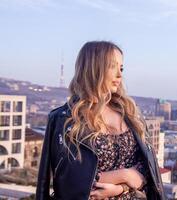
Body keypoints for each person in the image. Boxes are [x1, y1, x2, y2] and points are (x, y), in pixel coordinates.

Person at [36, 41, 166, 200]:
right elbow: (70, 182)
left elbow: (147, 171)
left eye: (121, 68)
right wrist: (125, 175)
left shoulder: (132, 114)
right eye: (113, 66)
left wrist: (119, 188)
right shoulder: (64, 119)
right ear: (93, 68)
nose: (120, 74)